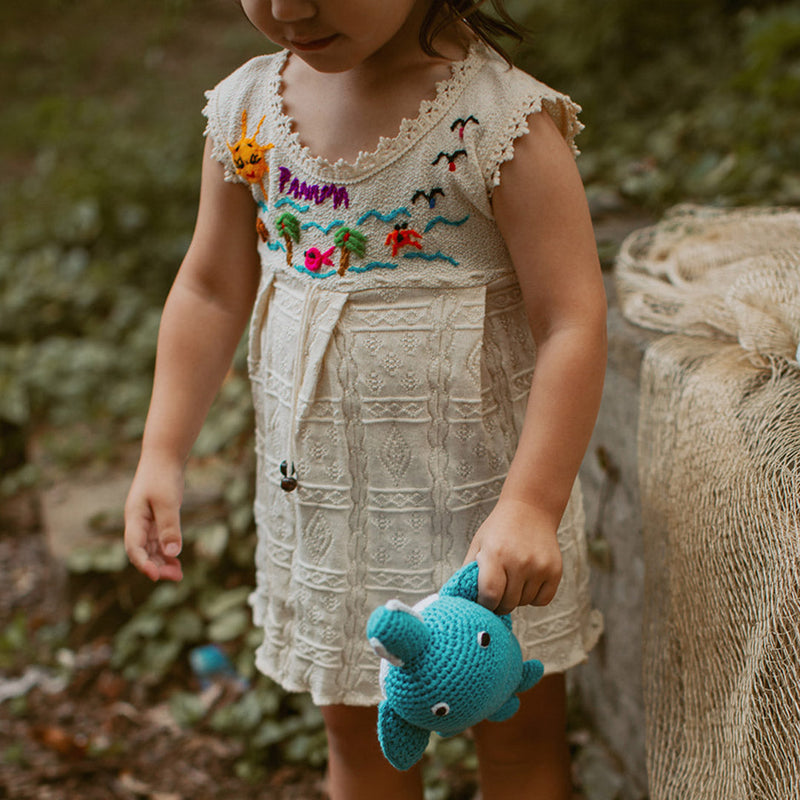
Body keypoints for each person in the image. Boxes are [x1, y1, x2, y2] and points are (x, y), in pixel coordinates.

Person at [124, 1, 607, 798]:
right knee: (361, 737)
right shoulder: (249, 113)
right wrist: (162, 451)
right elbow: (210, 289)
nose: (289, 7)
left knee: (518, 736)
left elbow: (571, 321)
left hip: (488, 508)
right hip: (337, 520)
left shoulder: (497, 124)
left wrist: (531, 504)